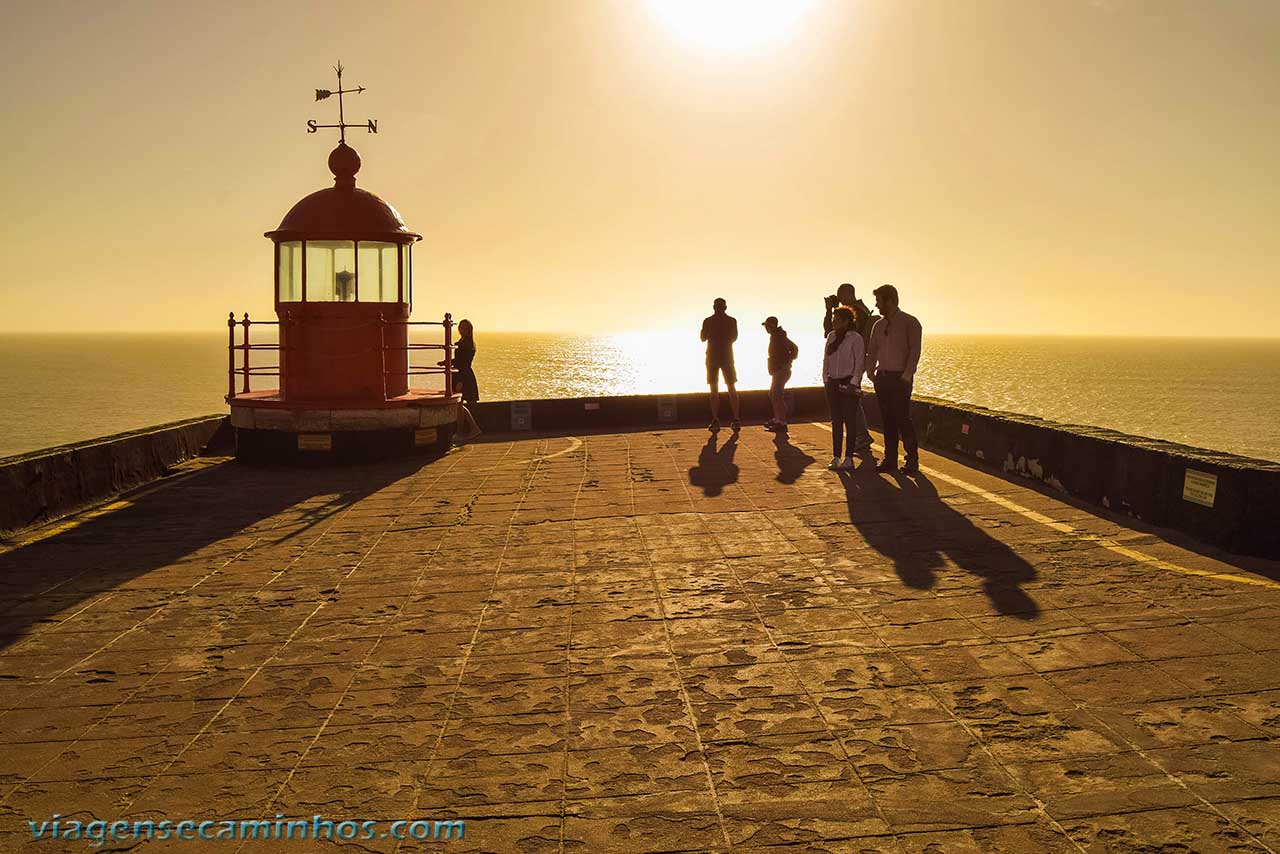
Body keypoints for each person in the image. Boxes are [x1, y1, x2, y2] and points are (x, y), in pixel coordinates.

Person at [866, 285, 922, 475]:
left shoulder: (910, 322)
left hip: (900, 377)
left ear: (889, 301)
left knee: (903, 419)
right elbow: (872, 349)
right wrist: (870, 371)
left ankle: (911, 459)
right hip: (883, 377)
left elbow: (915, 351)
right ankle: (890, 460)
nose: (877, 304)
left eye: (879, 300)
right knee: (887, 420)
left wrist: (907, 374)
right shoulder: (878, 325)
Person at [822, 283, 874, 451]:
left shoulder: (856, 312)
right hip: (847, 364)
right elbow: (829, 333)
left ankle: (861, 436)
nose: (839, 299)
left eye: (840, 295)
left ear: (848, 293)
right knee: (852, 402)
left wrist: (831, 310)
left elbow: (836, 333)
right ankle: (861, 435)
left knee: (852, 402)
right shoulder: (856, 310)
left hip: (851, 366)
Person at [822, 307, 866, 471]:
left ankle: (849, 457)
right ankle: (835, 456)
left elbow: (859, 363)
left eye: (838, 320)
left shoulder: (855, 338)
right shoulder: (831, 336)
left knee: (850, 420)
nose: (834, 323)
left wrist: (854, 383)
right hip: (833, 381)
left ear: (847, 321)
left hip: (848, 382)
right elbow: (826, 359)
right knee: (836, 420)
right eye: (833, 320)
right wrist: (826, 379)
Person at [700, 298, 740, 432]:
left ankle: (715, 419)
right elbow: (734, 338)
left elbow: (702, 338)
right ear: (725, 307)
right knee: (731, 387)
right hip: (727, 356)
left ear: (713, 307)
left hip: (712, 357)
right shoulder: (732, 321)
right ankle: (736, 419)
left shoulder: (708, 321)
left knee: (713, 390)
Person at [442, 319, 481, 442]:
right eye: (460, 327)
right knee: (459, 405)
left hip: (462, 375)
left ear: (468, 330)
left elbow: (462, 363)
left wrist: (460, 381)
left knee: (459, 404)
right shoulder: (467, 343)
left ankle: (462, 432)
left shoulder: (466, 345)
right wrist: (445, 362)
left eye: (463, 328)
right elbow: (458, 361)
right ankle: (472, 429)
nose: (460, 329)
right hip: (463, 374)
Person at [762, 316, 798, 433]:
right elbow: (794, 348)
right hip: (777, 370)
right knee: (773, 394)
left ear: (770, 326)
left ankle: (782, 421)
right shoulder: (777, 336)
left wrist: (787, 363)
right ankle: (777, 419)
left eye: (766, 326)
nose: (765, 328)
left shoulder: (779, 337)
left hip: (781, 370)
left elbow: (795, 349)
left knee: (777, 395)